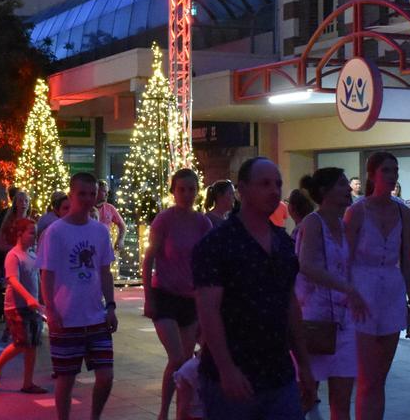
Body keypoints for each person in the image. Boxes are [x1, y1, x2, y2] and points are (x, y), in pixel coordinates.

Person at [192, 157, 317, 419]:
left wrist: (304, 365)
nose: (273, 190)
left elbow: (290, 304)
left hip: (278, 372)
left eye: (278, 184)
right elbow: (208, 310)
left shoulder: (282, 243)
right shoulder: (218, 243)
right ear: (243, 189)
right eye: (264, 184)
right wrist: (226, 369)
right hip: (234, 373)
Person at [38, 173, 118, 420]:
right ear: (71, 195)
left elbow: (104, 271)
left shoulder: (100, 232)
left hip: (96, 315)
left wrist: (111, 305)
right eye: (81, 194)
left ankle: (95, 416)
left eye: (91, 194)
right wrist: (51, 309)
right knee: (66, 378)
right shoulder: (55, 232)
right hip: (67, 316)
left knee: (106, 377)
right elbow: (47, 274)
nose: (87, 199)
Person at [345, 152, 410, 420]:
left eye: (395, 170)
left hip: (392, 291)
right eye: (386, 170)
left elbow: (406, 261)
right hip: (362, 292)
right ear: (372, 174)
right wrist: (349, 295)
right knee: (367, 377)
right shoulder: (357, 211)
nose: (392, 175)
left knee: (380, 378)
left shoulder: (402, 210)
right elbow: (346, 260)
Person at [297, 169, 368, 420]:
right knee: (304, 396)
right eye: (342, 185)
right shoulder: (313, 222)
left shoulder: (341, 223)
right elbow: (306, 265)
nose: (349, 189)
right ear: (325, 192)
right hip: (315, 317)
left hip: (343, 319)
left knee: (341, 401)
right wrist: (348, 288)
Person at [143, 168, 212, 420]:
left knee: (185, 361)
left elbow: (208, 260)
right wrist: (148, 297)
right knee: (177, 357)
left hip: (191, 298)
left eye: (191, 189)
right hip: (165, 294)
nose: (187, 194)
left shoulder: (202, 222)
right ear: (173, 191)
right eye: (182, 189)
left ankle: (183, 410)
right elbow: (149, 258)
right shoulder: (164, 220)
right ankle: (164, 411)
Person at [0, 218, 48, 394]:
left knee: (33, 344)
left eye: (35, 234)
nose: (34, 237)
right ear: (20, 234)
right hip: (16, 307)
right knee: (22, 343)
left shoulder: (32, 255)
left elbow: (37, 278)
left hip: (32, 307)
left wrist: (42, 300)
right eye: (31, 233)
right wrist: (29, 298)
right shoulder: (13, 255)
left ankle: (28, 383)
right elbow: (12, 280)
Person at [94, 180, 128, 254]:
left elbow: (122, 226)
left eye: (107, 191)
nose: (107, 194)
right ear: (96, 191)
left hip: (105, 246)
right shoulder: (87, 207)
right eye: (103, 191)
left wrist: (120, 239)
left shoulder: (110, 208)